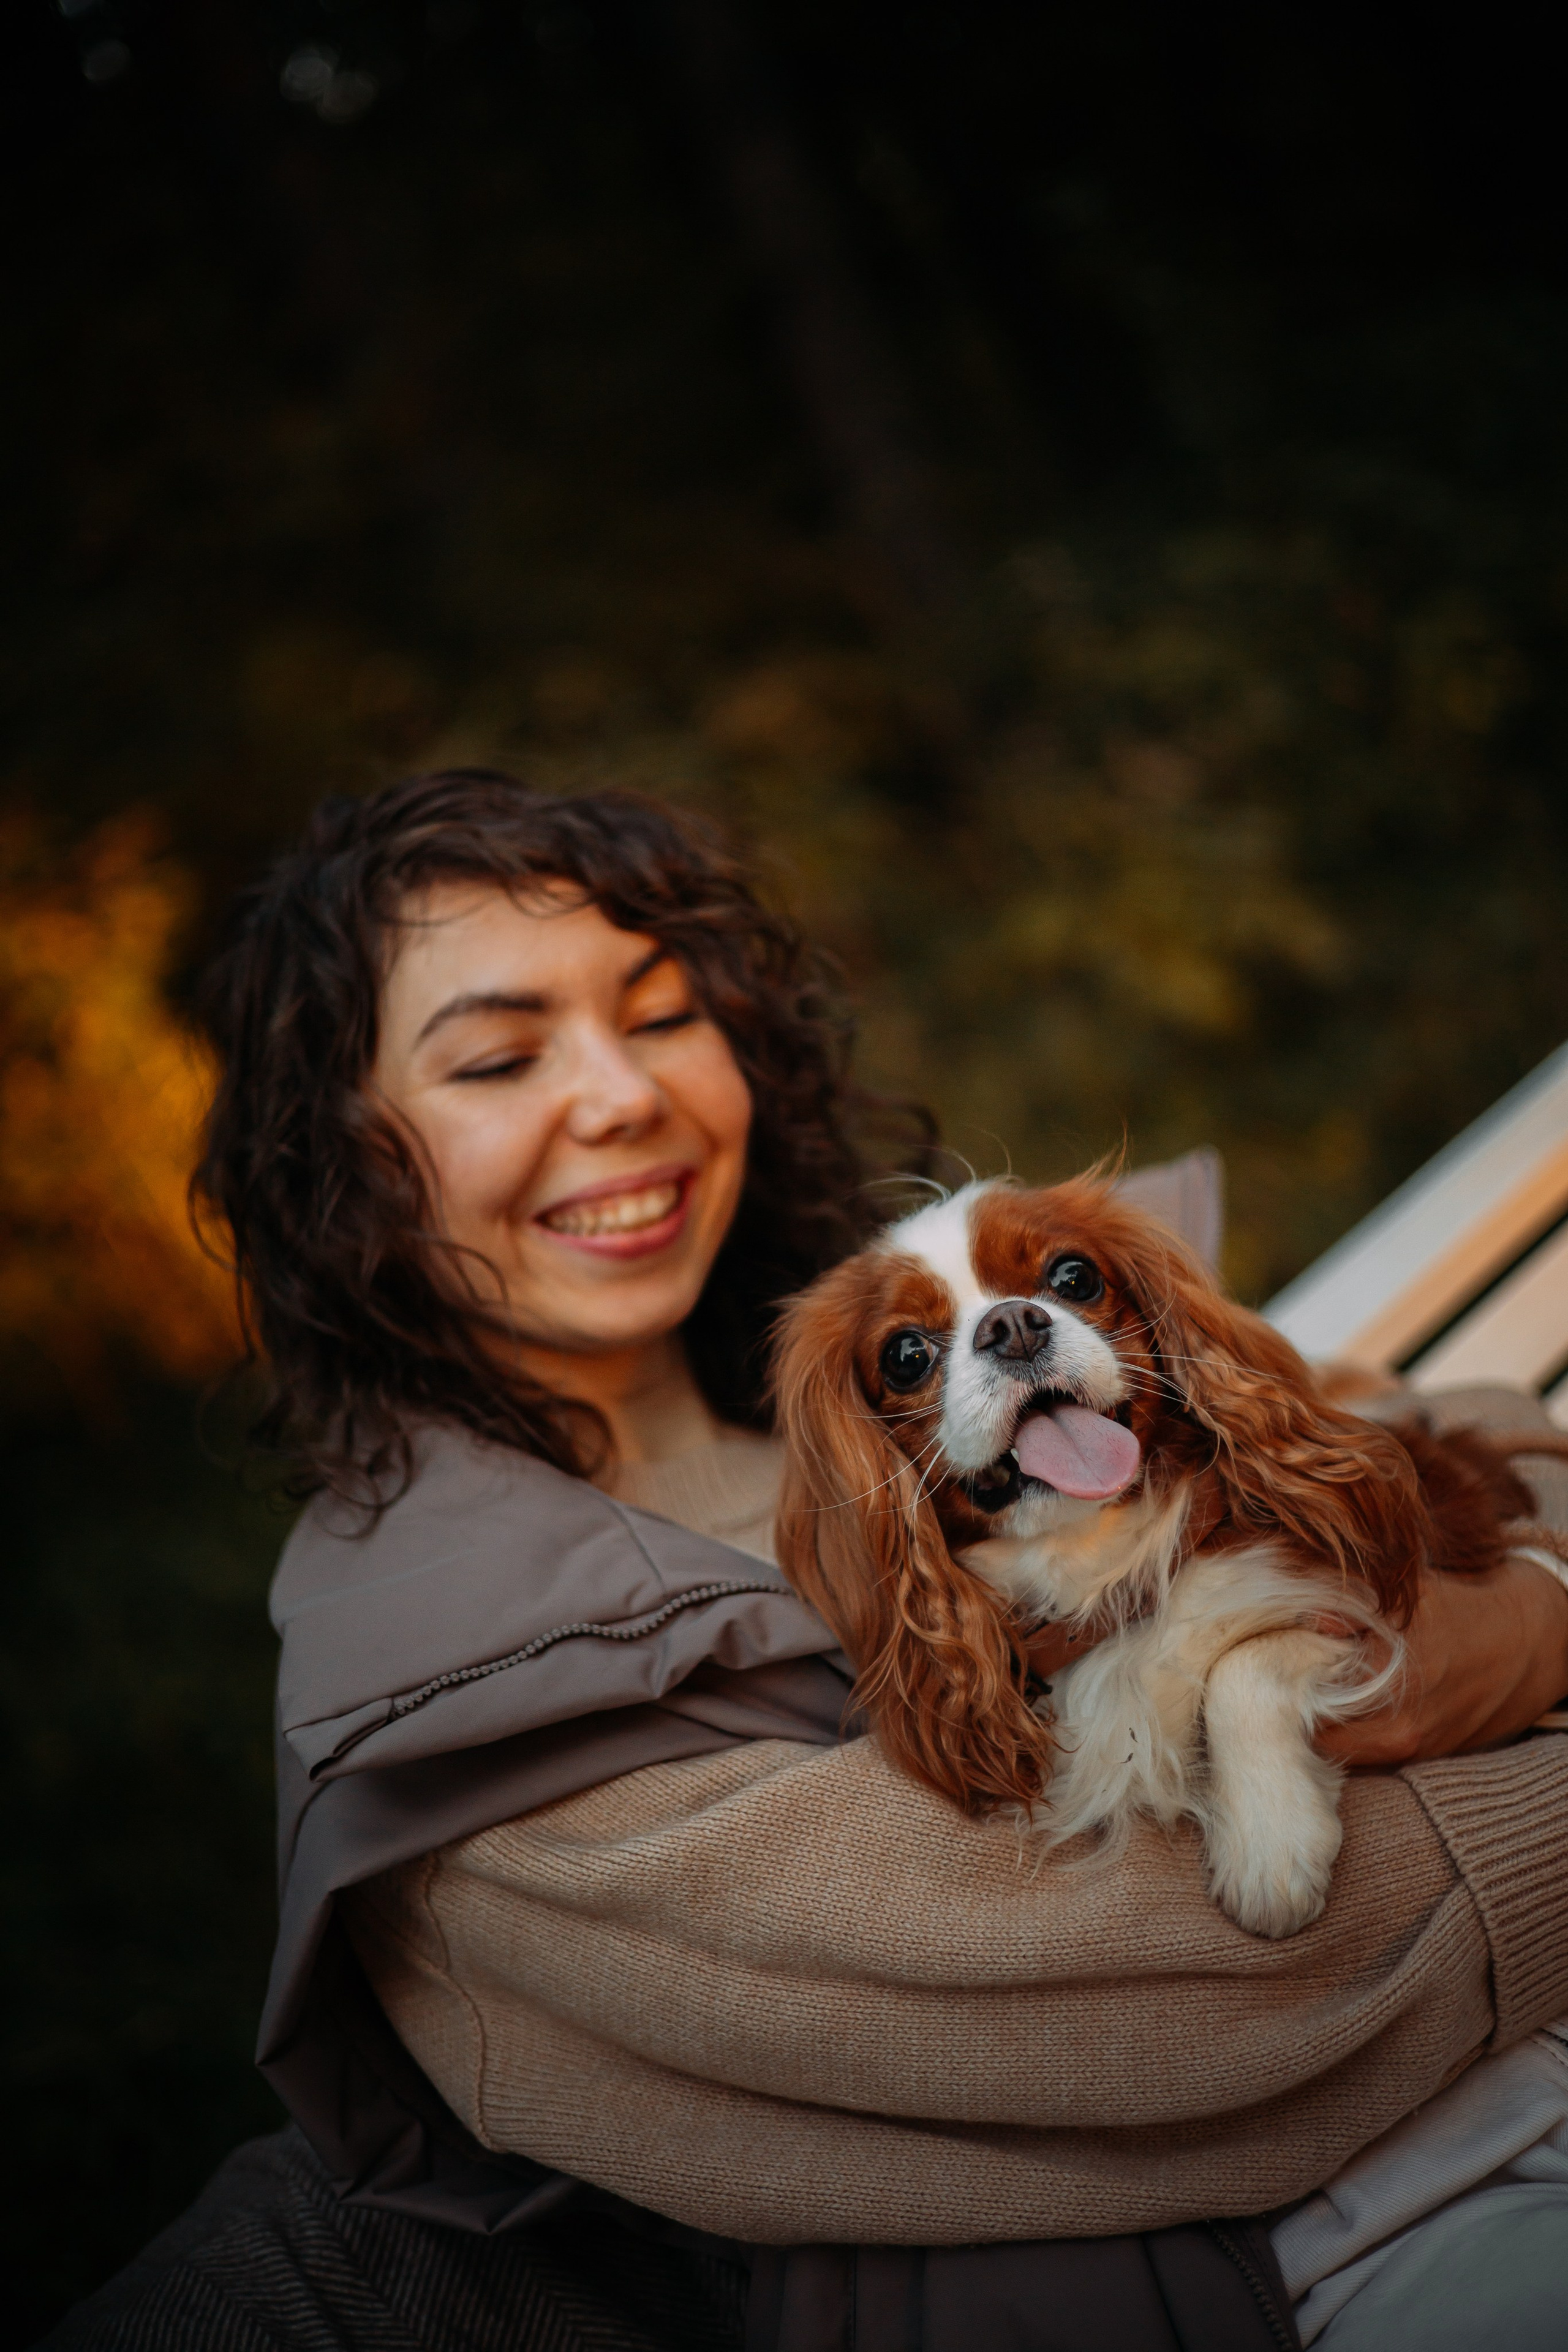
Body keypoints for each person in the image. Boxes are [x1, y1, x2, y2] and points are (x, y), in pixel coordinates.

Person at [47, 773, 1568, 2352]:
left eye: (659, 1012)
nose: (621, 1095)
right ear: (346, 1171)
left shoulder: (926, 1367)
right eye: (501, 1056)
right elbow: (1182, 2013)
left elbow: (1453, 1431)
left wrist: (1539, 1620)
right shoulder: (458, 1682)